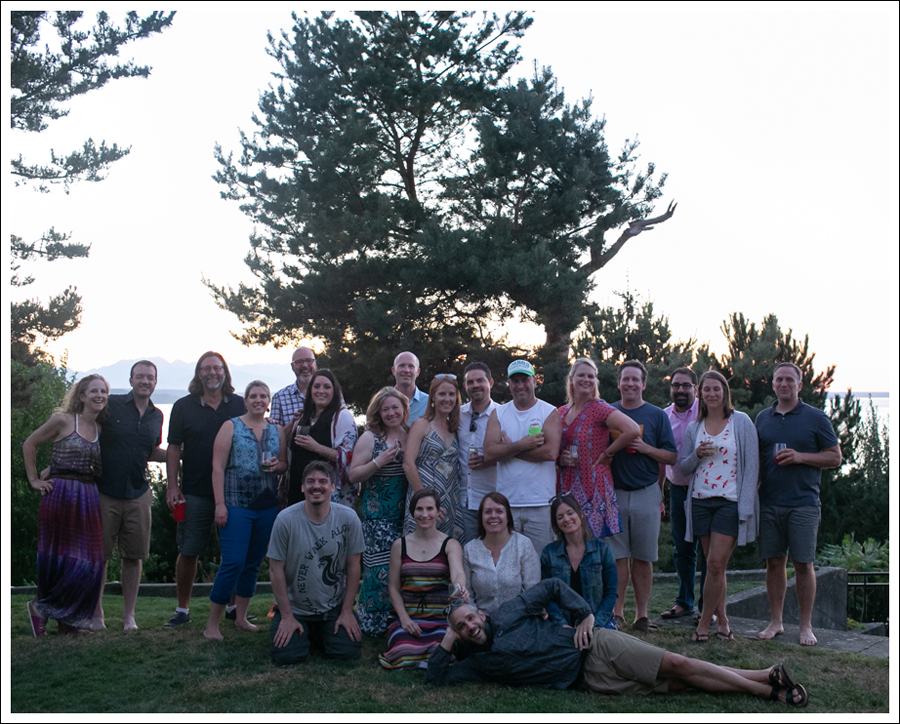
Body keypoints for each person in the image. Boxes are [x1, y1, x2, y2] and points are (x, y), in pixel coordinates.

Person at [424, 578, 809, 708]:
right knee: (677, 685)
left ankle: (767, 694)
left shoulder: (507, 613)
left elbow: (553, 587)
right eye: (462, 627)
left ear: (482, 614)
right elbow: (435, 678)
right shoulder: (476, 663)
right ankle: (764, 675)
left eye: (471, 618)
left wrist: (584, 615)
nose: (470, 626)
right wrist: (449, 634)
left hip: (596, 646)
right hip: (589, 680)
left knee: (678, 664)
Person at [755, 362, 841, 647]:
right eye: (779, 379)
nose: (783, 384)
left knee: (803, 564)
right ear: (773, 384)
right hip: (769, 502)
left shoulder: (816, 418)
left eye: (789, 380)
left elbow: (835, 457)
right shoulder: (762, 418)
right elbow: (756, 461)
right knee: (774, 563)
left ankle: (806, 626)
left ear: (799, 385)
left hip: (803, 503)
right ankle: (776, 622)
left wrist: (801, 457)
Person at [23, 375, 110, 636]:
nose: (99, 395)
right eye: (94, 391)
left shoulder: (99, 428)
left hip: (88, 497)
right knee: (58, 559)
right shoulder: (63, 420)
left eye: (104, 391)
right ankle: (40, 608)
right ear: (81, 396)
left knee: (87, 562)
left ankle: (68, 619)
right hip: (60, 495)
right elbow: (29, 443)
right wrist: (34, 480)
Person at [165, 352, 247, 627]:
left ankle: (233, 607)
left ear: (225, 372)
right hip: (195, 490)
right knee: (189, 550)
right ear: (198, 373)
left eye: (217, 368)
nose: (212, 373)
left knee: (233, 553)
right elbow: (173, 448)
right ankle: (182, 610)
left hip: (233, 491)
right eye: (206, 368)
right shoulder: (182, 406)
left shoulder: (240, 404)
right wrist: (172, 486)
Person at [679, 370, 759, 643]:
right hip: (700, 501)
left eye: (717, 389)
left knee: (715, 563)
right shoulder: (694, 427)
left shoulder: (741, 422)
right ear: (700, 394)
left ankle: (704, 622)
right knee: (715, 567)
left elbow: (752, 467)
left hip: (730, 502)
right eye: (707, 389)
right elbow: (684, 467)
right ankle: (723, 621)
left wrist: (746, 506)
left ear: (725, 392)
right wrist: (696, 454)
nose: (712, 394)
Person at [203, 381, 287, 640]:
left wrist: (277, 465)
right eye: (253, 396)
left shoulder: (277, 430)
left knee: (252, 564)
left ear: (268, 401)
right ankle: (212, 625)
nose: (258, 400)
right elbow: (217, 467)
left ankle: (241, 618)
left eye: (263, 396)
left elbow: (284, 464)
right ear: (246, 400)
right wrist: (219, 504)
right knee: (233, 562)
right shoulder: (231, 426)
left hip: (267, 506)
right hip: (235, 505)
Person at [93, 360, 166, 631]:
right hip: (104, 491)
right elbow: (87, 431)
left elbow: (152, 451)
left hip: (138, 492)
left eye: (150, 377)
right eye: (140, 377)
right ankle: (96, 613)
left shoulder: (157, 416)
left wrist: (183, 454)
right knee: (99, 556)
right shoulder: (110, 405)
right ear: (131, 380)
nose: (145, 381)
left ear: (155, 382)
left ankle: (129, 617)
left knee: (134, 556)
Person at [267, 461, 364, 665]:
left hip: (333, 607)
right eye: (310, 481)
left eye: (322, 481)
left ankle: (318, 633)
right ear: (302, 487)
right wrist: (286, 616)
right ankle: (303, 630)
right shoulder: (285, 520)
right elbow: (275, 570)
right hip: (295, 609)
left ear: (332, 487)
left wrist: (347, 611)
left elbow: (354, 566)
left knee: (348, 652)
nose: (316, 486)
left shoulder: (349, 518)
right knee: (286, 656)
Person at [608, 360, 677, 633]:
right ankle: (616, 613)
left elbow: (671, 456)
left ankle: (642, 615)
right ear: (619, 383)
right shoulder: (608, 412)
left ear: (644, 384)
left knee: (643, 557)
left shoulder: (656, 415)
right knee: (617, 558)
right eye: (626, 379)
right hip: (614, 493)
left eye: (635, 379)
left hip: (647, 492)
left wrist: (645, 448)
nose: (630, 384)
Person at [379, 488, 468, 669]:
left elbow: (457, 573)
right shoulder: (400, 545)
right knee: (403, 649)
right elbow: (393, 588)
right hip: (408, 618)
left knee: (442, 646)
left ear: (437, 511)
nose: (424, 514)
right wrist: (405, 619)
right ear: (412, 512)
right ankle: (423, 658)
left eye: (430, 509)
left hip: (440, 620)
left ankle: (429, 657)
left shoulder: (450, 544)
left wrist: (459, 587)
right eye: (419, 509)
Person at [483, 360, 562, 555]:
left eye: (525, 380)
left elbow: (550, 453)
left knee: (541, 560)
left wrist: (507, 449)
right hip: (506, 504)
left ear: (535, 381)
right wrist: (522, 444)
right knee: (509, 561)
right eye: (515, 381)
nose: (520, 386)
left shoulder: (549, 412)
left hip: (541, 503)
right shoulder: (498, 413)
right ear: (508, 384)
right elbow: (489, 453)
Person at [556, 358, 640, 539]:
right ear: (571, 379)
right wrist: (560, 458)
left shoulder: (599, 408)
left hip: (592, 485)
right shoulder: (561, 412)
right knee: (568, 542)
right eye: (581, 375)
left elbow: (632, 429)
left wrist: (608, 452)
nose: (586, 379)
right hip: (565, 484)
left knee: (593, 543)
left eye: (591, 376)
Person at [350, 387, 410, 636]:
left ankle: (398, 622)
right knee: (380, 571)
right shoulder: (370, 438)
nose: (391, 413)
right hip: (378, 517)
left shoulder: (411, 434)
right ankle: (372, 624)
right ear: (378, 412)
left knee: (403, 570)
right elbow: (353, 474)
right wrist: (378, 462)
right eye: (385, 409)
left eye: (395, 407)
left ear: (404, 408)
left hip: (407, 515)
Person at [659, 367, 704, 622]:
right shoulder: (664, 416)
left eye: (686, 385)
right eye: (676, 385)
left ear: (695, 388)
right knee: (682, 549)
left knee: (709, 551)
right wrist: (660, 492)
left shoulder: (706, 412)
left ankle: (707, 607)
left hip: (707, 490)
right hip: (678, 490)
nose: (680, 390)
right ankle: (684, 602)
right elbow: (661, 459)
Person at [541, 494, 618, 630]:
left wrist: (594, 624)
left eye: (570, 513)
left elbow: (611, 594)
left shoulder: (603, 549)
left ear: (581, 514)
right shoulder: (549, 553)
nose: (566, 519)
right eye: (560, 517)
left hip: (598, 622)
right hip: (563, 624)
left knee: (600, 642)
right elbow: (548, 597)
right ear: (556, 523)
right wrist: (562, 624)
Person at [403, 375, 463, 539]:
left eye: (451, 394)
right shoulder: (421, 424)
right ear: (433, 398)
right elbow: (408, 464)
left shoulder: (455, 428)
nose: (447, 399)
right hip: (423, 498)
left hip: (450, 498)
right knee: (420, 546)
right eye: (442, 394)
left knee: (447, 548)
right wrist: (424, 500)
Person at [287, 369, 357, 507]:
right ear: (310, 390)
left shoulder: (342, 417)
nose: (321, 391)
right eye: (316, 386)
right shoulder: (303, 416)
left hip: (326, 494)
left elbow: (350, 458)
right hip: (298, 489)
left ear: (334, 391)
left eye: (327, 387)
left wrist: (317, 448)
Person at [462, 492, 540, 614]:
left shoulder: (523, 545)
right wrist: (474, 615)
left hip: (518, 618)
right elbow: (467, 594)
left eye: (499, 511)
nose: (493, 516)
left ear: (508, 516)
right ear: (481, 517)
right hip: (481, 620)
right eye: (488, 512)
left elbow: (532, 591)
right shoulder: (469, 549)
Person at [457, 362, 499, 544]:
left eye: (480, 380)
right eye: (470, 382)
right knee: (468, 553)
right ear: (465, 386)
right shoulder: (457, 415)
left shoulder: (502, 414)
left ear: (490, 383)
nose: (475, 385)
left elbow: (514, 454)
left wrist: (490, 460)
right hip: (464, 501)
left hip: (495, 501)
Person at [269, 347, 317, 429]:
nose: (305, 365)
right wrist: (294, 423)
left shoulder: (328, 394)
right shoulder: (279, 397)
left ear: (315, 364)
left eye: (309, 361)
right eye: (299, 362)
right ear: (292, 366)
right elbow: (275, 434)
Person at [392, 351, 427, 423]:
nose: (406, 370)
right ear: (393, 371)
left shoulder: (429, 403)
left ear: (418, 372)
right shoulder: (381, 402)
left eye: (411, 366)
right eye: (401, 366)